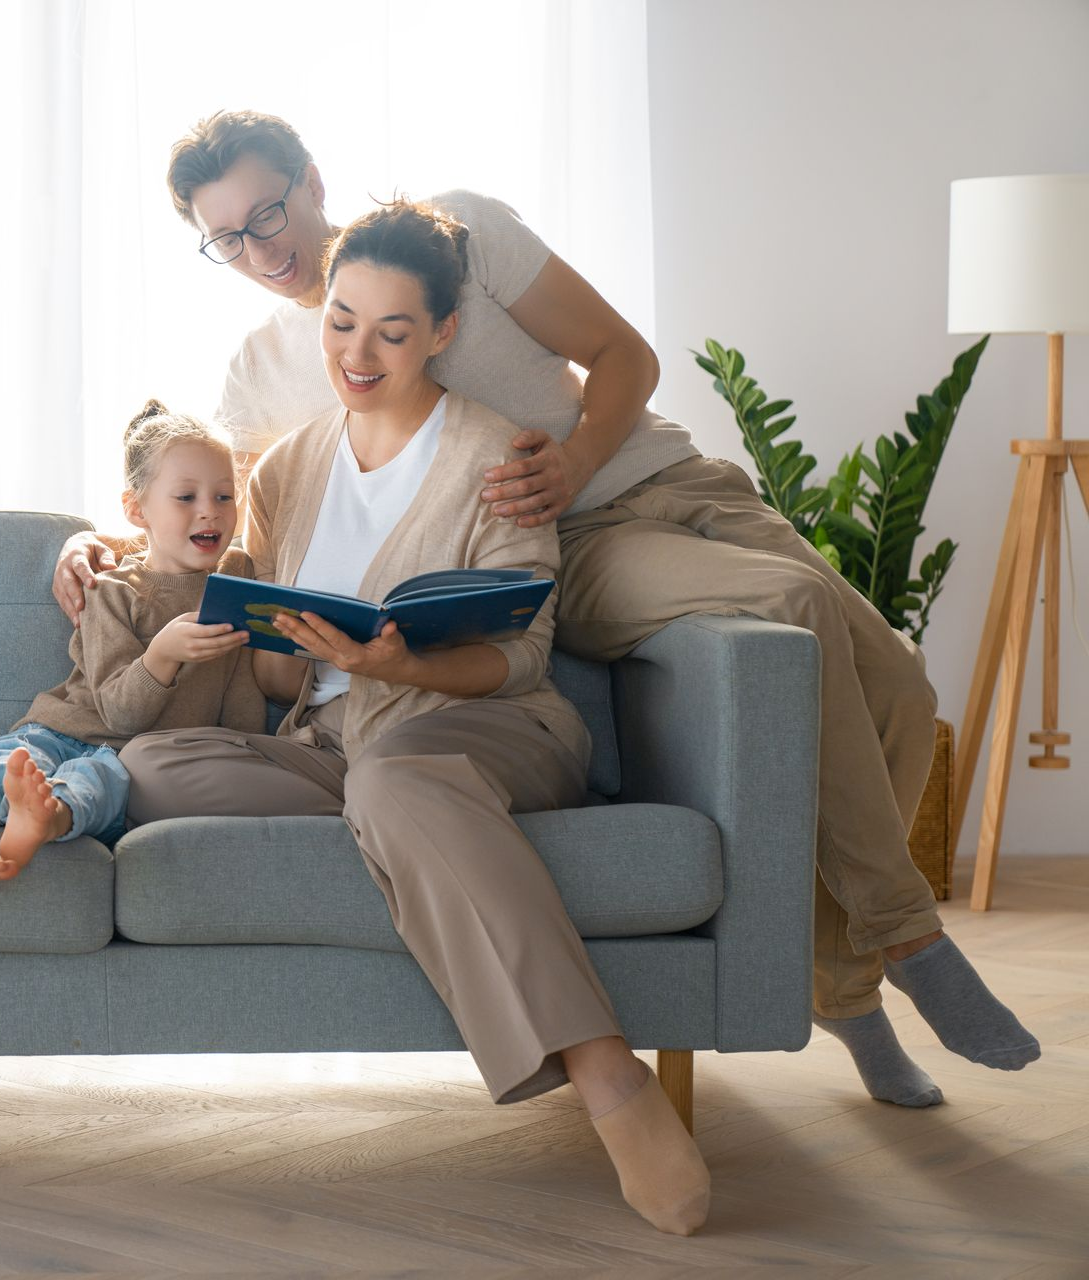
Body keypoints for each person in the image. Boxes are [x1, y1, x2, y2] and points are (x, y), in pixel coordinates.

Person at [56, 110, 1039, 1108]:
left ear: (311, 180)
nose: (259, 249)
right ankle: (900, 937)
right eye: (225, 237)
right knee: (787, 603)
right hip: (573, 549)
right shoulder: (262, 372)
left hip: (661, 478)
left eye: (267, 211)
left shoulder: (462, 236)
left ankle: (839, 982)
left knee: (898, 687)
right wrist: (97, 540)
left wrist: (570, 459)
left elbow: (622, 355)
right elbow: (208, 507)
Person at [121, 202, 711, 1236]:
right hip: (332, 743)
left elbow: (522, 655)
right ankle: (396, 824)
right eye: (341, 321)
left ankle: (604, 1069)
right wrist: (161, 581)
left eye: (391, 331)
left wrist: (402, 662)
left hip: (483, 727)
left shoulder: (499, 457)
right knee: (153, 762)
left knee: (396, 774)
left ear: (441, 331)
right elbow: (259, 664)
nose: (357, 350)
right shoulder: (287, 466)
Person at [0, 400, 263, 883]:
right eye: (186, 497)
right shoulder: (112, 591)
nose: (209, 512)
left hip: (129, 757)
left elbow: (241, 691)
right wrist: (163, 655)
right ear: (136, 509)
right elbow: (117, 711)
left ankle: (39, 820)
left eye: (225, 497)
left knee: (95, 784)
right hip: (64, 727)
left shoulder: (237, 579)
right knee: (9, 761)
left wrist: (251, 750)